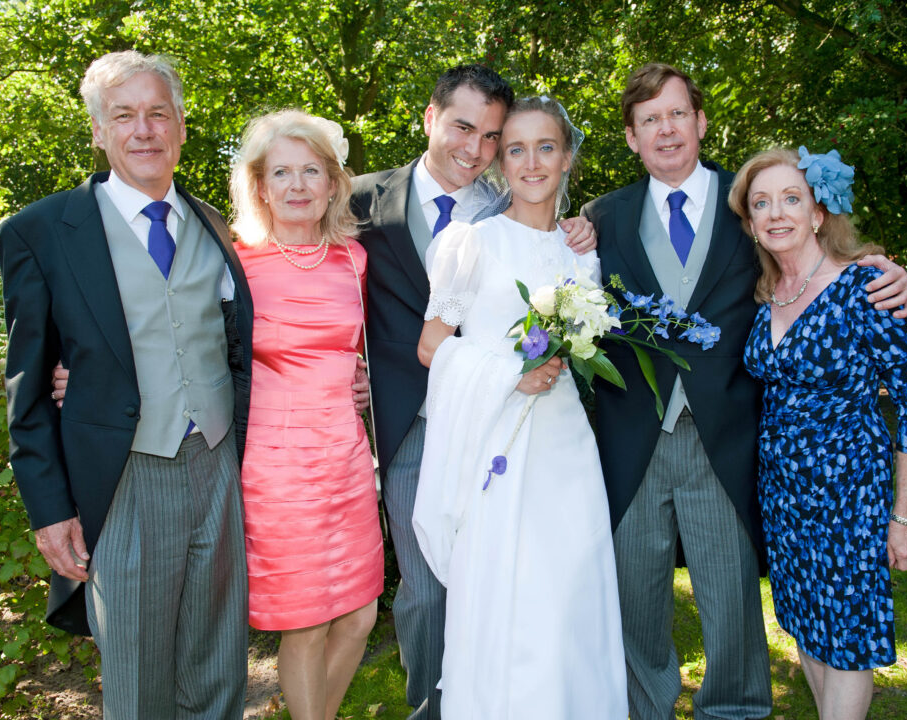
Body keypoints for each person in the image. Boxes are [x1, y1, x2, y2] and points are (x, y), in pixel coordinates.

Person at [580, 63, 907, 720]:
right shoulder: (601, 219)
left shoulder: (753, 204)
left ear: (701, 122)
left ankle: (734, 710)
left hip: (729, 439)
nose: (666, 129)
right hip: (631, 441)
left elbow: (814, 262)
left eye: (678, 114)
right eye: (650, 119)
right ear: (631, 136)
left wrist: (881, 270)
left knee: (731, 603)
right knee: (634, 604)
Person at [0, 50, 252, 718]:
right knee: (138, 681)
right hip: (124, 476)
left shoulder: (213, 225)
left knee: (220, 666)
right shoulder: (40, 232)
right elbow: (27, 385)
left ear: (181, 127)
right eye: (123, 116)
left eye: (158, 114)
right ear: (98, 130)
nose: (144, 130)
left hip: (217, 462)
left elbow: (237, 345)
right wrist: (49, 509)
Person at [349, 64, 596, 719]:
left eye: (491, 137)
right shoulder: (358, 202)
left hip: (515, 427)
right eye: (463, 128)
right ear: (430, 118)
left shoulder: (510, 204)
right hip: (410, 421)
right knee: (429, 590)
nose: (476, 149)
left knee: (512, 581)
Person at [414, 94, 626, 719]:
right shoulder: (471, 243)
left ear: (567, 159)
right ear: (501, 163)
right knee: (510, 597)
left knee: (570, 595)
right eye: (516, 150)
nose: (531, 163)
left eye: (545, 148)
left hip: (567, 449)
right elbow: (431, 346)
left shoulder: (581, 251)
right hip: (499, 446)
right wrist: (512, 374)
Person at [729, 146, 907, 719]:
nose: (776, 213)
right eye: (761, 203)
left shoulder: (866, 288)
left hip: (848, 498)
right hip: (783, 499)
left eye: (791, 199)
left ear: (818, 212)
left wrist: (902, 516)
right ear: (751, 222)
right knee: (807, 627)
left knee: (846, 640)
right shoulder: (767, 293)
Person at [229, 109, 383, 720]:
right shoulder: (236, 264)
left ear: (333, 183)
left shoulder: (354, 259)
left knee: (361, 614)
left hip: (346, 455)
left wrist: (361, 378)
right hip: (276, 467)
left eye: (311, 171)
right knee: (307, 622)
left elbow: (357, 346)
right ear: (260, 187)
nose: (298, 185)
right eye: (282, 172)